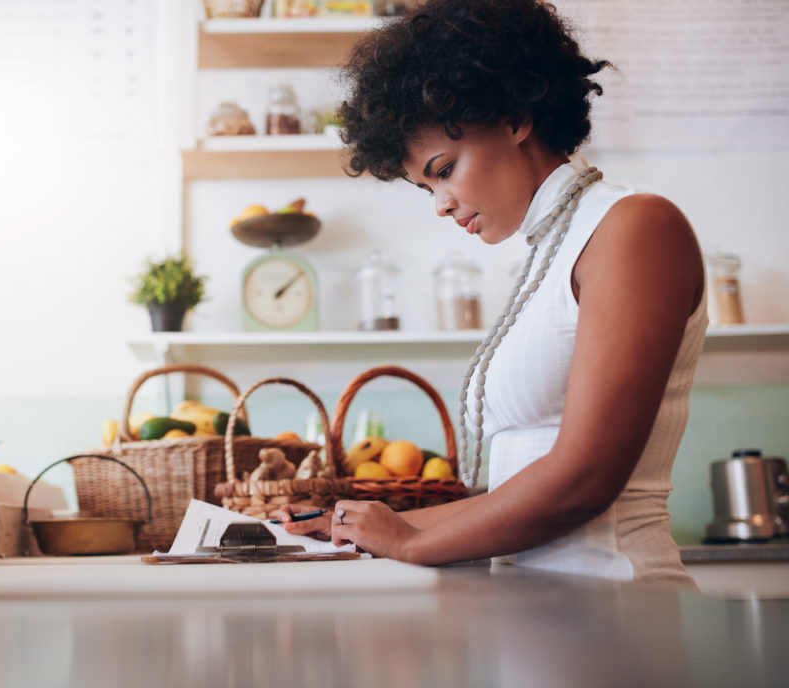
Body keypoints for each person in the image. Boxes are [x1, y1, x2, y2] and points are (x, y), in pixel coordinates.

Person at [276, 0, 706, 585]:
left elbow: (584, 480)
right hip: (548, 620)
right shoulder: (550, 252)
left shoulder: (634, 228)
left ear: (513, 118)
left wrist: (408, 544)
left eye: (445, 169)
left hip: (617, 610)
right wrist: (358, 526)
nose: (440, 203)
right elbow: (517, 489)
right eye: (426, 185)